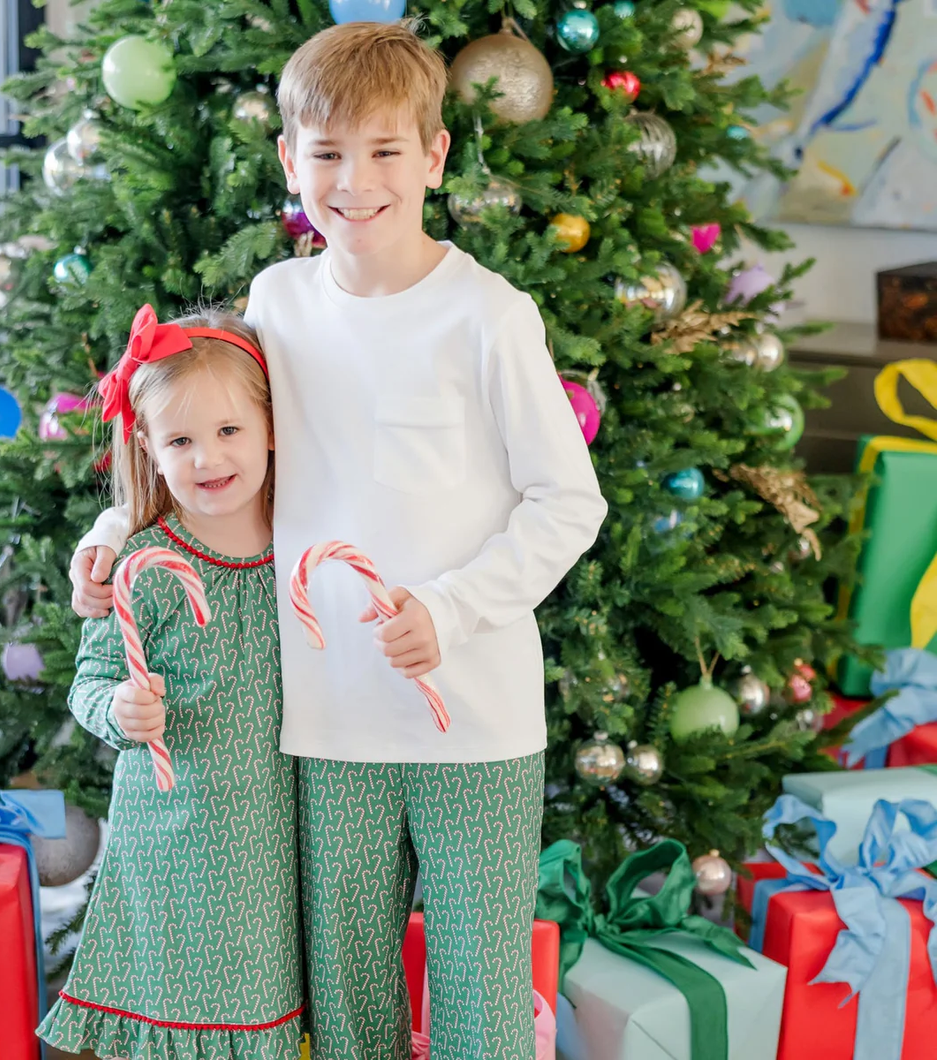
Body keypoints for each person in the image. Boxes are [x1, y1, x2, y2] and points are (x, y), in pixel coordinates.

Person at [70, 20, 607, 1060]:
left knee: (477, 981)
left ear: (435, 157)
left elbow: (565, 501)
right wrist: (110, 527)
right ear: (290, 162)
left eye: (384, 152)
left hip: (474, 721)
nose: (353, 181)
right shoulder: (277, 304)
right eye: (326, 154)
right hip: (327, 722)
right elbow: (198, 441)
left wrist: (447, 609)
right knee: (347, 987)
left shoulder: (489, 318)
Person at [40, 304, 304, 1060]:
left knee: (263, 1002)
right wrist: (120, 709)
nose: (207, 458)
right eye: (181, 440)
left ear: (270, 429)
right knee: (173, 1009)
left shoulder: (304, 546)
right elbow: (89, 681)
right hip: (172, 835)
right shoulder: (143, 567)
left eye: (228, 431)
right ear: (149, 449)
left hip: (279, 829)